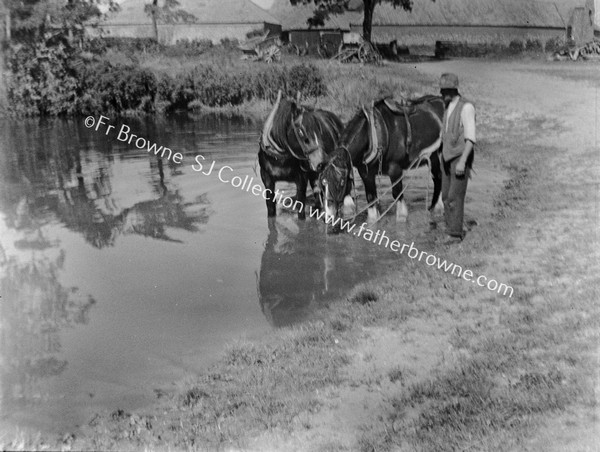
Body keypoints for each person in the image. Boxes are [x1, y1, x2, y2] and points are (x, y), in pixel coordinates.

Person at [438, 73, 476, 244]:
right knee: (445, 196)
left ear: (453, 90)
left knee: (455, 196)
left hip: (459, 158)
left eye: (445, 90)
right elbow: (444, 136)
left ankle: (455, 234)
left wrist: (462, 162)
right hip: (446, 158)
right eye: (441, 90)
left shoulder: (466, 107)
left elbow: (470, 138)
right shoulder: (447, 107)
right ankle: (450, 229)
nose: (442, 94)